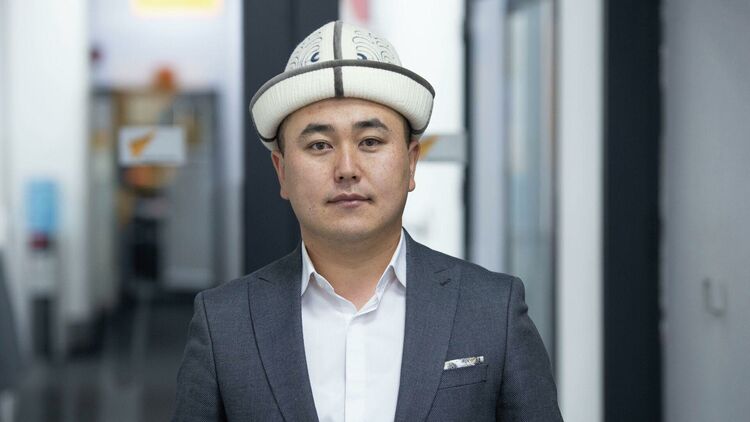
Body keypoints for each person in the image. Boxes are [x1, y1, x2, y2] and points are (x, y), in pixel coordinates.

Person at [172, 21, 562, 422]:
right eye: (319, 145)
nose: (347, 168)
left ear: (411, 162)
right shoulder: (225, 323)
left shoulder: (492, 309)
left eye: (370, 142)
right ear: (282, 171)